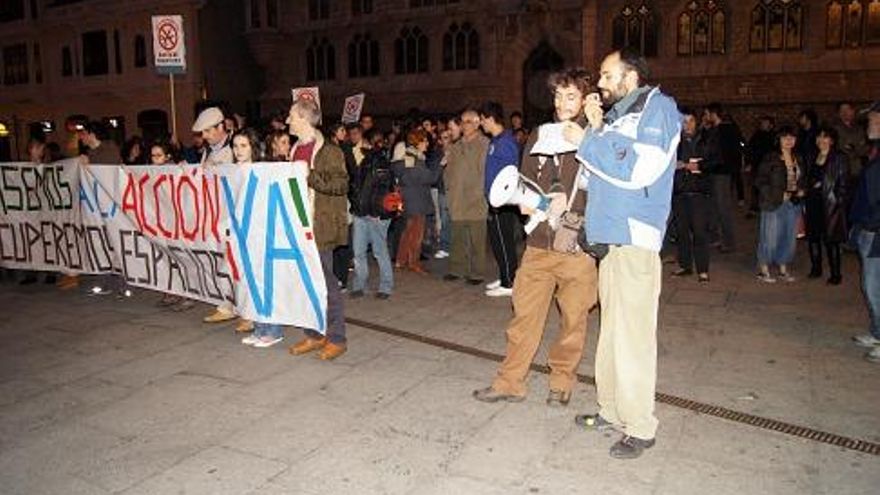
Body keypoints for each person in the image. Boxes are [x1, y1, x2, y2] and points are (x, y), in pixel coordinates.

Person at [565, 47, 681, 460]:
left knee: (633, 338)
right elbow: (596, 174)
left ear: (631, 77)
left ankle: (640, 426)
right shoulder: (618, 116)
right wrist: (596, 128)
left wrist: (588, 140)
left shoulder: (659, 108)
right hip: (610, 238)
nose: (599, 83)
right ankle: (612, 410)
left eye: (607, 75)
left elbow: (639, 168)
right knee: (612, 332)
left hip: (634, 238)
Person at [472, 67, 598, 406]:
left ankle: (562, 381)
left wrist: (588, 143)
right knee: (523, 318)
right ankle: (510, 382)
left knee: (573, 321)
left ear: (585, 100)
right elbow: (524, 179)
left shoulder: (596, 136)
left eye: (570, 96)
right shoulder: (540, 135)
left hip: (577, 247)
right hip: (539, 244)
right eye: (558, 95)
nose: (562, 103)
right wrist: (525, 201)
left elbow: (610, 185)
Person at [286, 99, 350, 361]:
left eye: (292, 116)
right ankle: (314, 333)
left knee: (326, 284)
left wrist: (309, 175)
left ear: (304, 118)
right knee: (306, 284)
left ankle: (337, 338)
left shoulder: (329, 151)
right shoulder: (295, 149)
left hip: (320, 226)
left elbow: (341, 185)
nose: (288, 120)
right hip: (298, 225)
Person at [192, 107, 237, 323]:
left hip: (231, 215)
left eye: (208, 131)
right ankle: (228, 303)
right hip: (216, 215)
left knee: (233, 262)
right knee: (222, 260)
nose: (204, 136)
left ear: (221, 127)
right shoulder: (208, 151)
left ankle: (233, 306)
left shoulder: (235, 147)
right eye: (203, 132)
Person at [479, 101, 522, 297]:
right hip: (493, 198)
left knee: (504, 240)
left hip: (502, 199)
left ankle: (509, 282)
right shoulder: (496, 140)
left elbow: (511, 171)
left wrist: (503, 195)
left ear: (490, 118)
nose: (481, 124)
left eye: (482, 119)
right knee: (497, 240)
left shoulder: (505, 141)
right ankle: (505, 275)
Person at [849, 100, 880, 363]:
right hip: (868, 228)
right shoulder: (876, 150)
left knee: (874, 285)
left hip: (876, 229)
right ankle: (877, 331)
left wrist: (871, 222)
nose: (869, 123)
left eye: (872, 118)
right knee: (869, 284)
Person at [672, 107, 719, 282]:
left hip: (699, 191)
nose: (688, 125)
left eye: (691, 121)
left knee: (700, 232)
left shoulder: (706, 139)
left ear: (696, 122)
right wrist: (675, 165)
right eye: (684, 121)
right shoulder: (674, 141)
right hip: (680, 190)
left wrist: (700, 166)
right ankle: (685, 265)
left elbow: (716, 161)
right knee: (682, 231)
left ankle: (702, 269)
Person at [754, 125, 806, 283]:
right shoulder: (771, 158)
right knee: (769, 236)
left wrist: (802, 189)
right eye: (785, 137)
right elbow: (760, 180)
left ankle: (783, 268)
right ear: (779, 140)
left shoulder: (798, 158)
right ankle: (764, 269)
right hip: (773, 202)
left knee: (788, 237)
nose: (789, 141)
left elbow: (802, 178)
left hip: (792, 203)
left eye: (792, 137)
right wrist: (775, 194)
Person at [348, 128, 396, 299]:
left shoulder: (379, 162)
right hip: (363, 212)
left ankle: (385, 286)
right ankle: (360, 284)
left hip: (375, 214)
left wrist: (375, 212)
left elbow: (381, 191)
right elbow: (358, 187)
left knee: (378, 251)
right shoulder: (366, 160)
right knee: (360, 251)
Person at [444, 109, 489, 284]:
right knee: (457, 238)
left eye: (468, 121)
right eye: (462, 122)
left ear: (477, 124)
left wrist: (481, 193)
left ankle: (477, 273)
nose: (464, 125)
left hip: (476, 199)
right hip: (457, 199)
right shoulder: (456, 146)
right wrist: (450, 191)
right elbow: (449, 171)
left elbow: (485, 172)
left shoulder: (484, 144)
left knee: (477, 240)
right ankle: (457, 269)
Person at [392, 128, 441, 274]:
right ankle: (414, 262)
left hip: (408, 198)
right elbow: (430, 178)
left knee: (408, 231)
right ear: (418, 142)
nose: (427, 144)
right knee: (416, 234)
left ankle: (401, 260)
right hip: (417, 200)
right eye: (424, 141)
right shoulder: (416, 160)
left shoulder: (405, 158)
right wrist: (441, 165)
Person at [804, 126, 849, 285]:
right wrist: (809, 187)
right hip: (813, 202)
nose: (821, 140)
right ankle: (816, 268)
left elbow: (844, 183)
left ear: (832, 140)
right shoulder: (812, 156)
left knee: (831, 240)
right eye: (819, 137)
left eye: (825, 137)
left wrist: (838, 201)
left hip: (830, 204)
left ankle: (836, 274)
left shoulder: (839, 157)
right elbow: (808, 177)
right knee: (813, 237)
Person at [703, 103, 740, 252]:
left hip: (721, 173)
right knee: (714, 206)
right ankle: (716, 237)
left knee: (723, 207)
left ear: (713, 114)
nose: (705, 117)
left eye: (707, 114)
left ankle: (729, 242)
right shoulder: (718, 130)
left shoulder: (724, 130)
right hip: (717, 172)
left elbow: (719, 153)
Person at [746, 116, 776, 216]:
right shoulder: (757, 135)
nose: (763, 125)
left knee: (767, 187)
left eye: (765, 123)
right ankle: (754, 208)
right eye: (762, 123)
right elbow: (750, 149)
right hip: (757, 165)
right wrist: (749, 162)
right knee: (755, 187)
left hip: (769, 166)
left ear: (771, 125)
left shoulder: (774, 137)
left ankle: (767, 207)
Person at [833, 102, 868, 182]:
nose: (844, 113)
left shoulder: (860, 129)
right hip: (845, 171)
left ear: (853, 111)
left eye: (847, 109)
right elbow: (843, 149)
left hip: (860, 169)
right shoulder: (836, 130)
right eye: (842, 110)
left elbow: (864, 148)